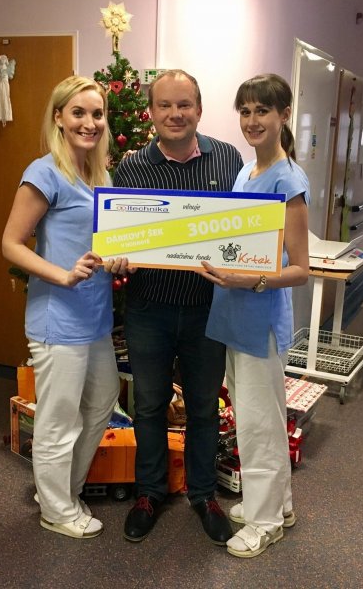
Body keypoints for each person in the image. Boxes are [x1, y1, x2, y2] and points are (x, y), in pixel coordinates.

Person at [113, 70, 244, 544]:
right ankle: (149, 493)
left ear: (199, 109)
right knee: (149, 405)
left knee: (204, 408)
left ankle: (203, 495)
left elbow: (242, 226)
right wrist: (118, 256)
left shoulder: (227, 159)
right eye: (165, 105)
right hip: (148, 308)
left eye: (184, 104)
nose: (175, 114)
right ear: (150, 112)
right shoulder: (131, 168)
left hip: (208, 310)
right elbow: (118, 235)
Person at [1, 75, 128, 539]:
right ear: (58, 117)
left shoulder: (100, 175)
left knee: (103, 399)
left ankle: (60, 491)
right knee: (58, 420)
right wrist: (62, 274)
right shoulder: (44, 173)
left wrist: (120, 257)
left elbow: (106, 242)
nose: (89, 123)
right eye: (78, 113)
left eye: (97, 114)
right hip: (58, 317)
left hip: (95, 318)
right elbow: (11, 244)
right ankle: (56, 510)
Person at [199, 73, 310, 558]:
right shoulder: (246, 172)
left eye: (262, 110)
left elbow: (301, 269)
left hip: (260, 321)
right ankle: (278, 504)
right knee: (254, 418)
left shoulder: (288, 181)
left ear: (284, 115)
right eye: (244, 111)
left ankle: (265, 522)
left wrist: (249, 280)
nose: (251, 120)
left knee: (260, 426)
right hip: (233, 317)